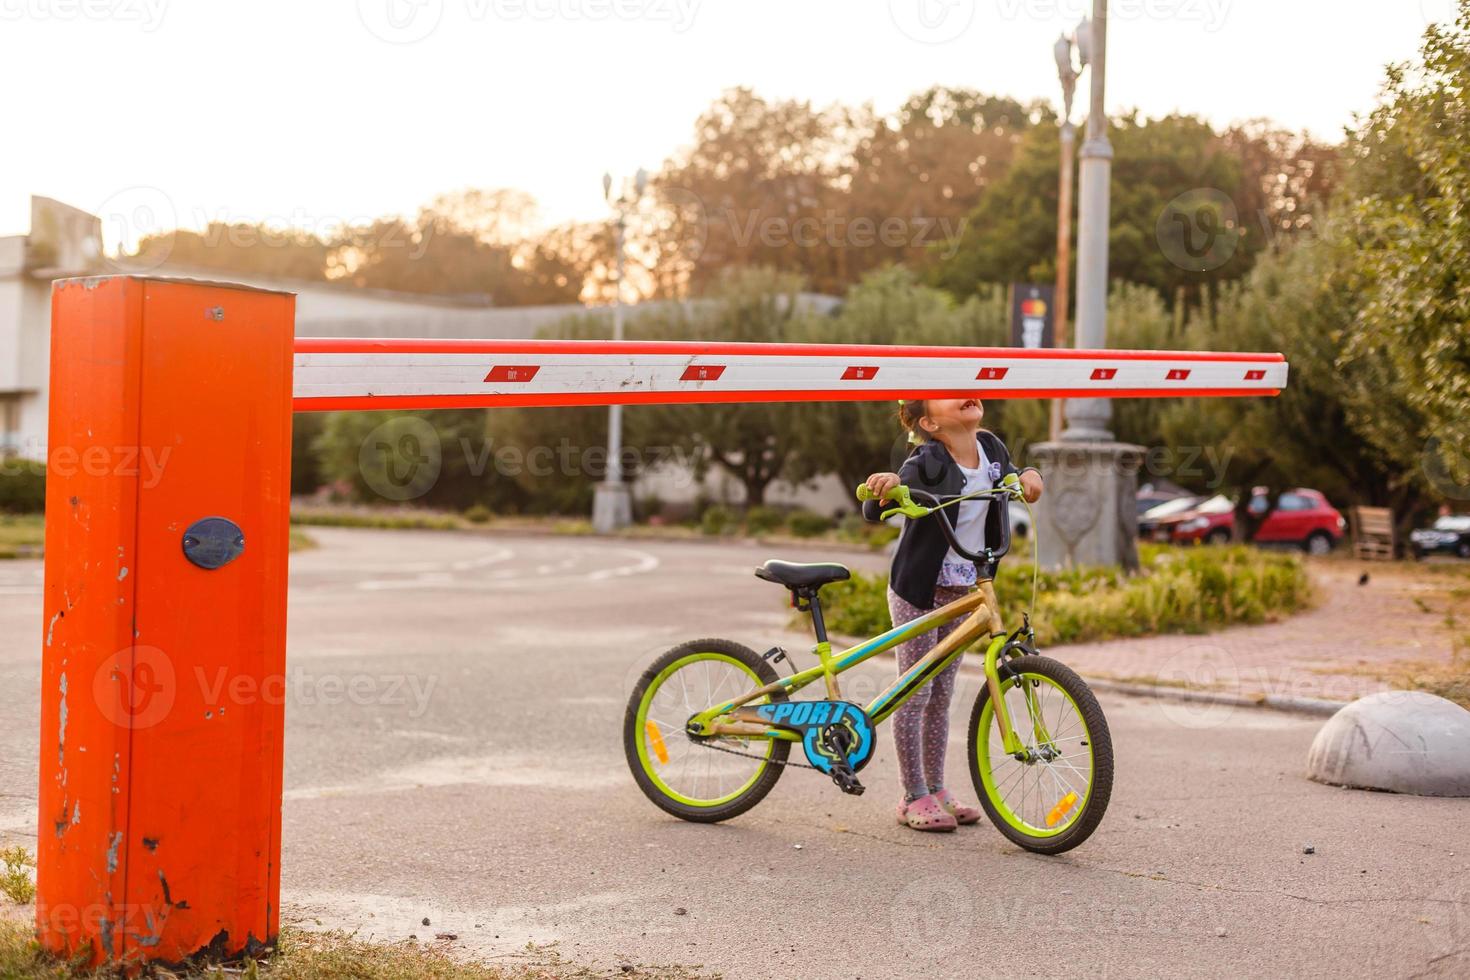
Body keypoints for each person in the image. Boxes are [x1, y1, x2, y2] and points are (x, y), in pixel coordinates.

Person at [862, 398, 1043, 832]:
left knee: (942, 695)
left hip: (966, 587)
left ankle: (937, 787)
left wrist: (1033, 477)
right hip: (920, 589)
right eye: (948, 391)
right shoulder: (926, 459)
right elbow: (877, 507)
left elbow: (1018, 476)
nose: (966, 392)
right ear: (928, 421)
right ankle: (913, 796)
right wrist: (884, 486)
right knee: (916, 690)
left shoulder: (992, 449)